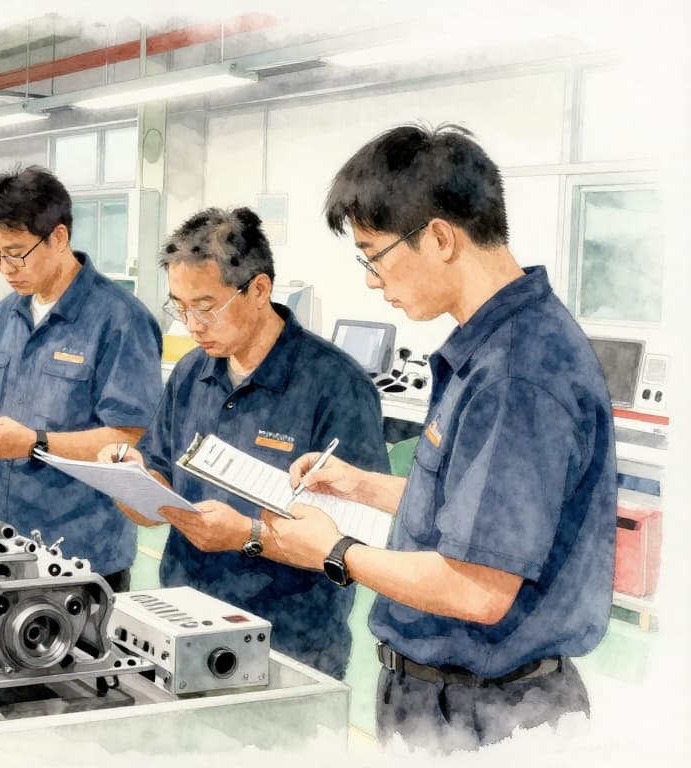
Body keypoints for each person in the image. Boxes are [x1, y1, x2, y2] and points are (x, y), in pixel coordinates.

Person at [265, 124, 616, 751]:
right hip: (449, 700)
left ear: (438, 237)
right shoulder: (493, 350)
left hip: (487, 715)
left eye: (373, 254)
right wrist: (363, 486)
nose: (373, 279)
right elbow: (479, 516)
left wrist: (334, 550)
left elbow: (475, 588)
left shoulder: (517, 375)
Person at [96, 207, 387, 678]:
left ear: (259, 289)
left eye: (206, 307)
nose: (191, 324)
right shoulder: (191, 373)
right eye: (179, 306)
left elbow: (359, 539)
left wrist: (249, 537)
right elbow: (157, 481)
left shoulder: (336, 386)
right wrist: (127, 479)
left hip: (288, 644)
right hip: (182, 623)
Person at [0, 166, 162, 591]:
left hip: (81, 552)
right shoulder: (8, 312)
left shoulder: (120, 320)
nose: (5, 267)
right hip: (2, 536)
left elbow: (129, 438)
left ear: (58, 238)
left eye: (15, 252)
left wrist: (35, 442)